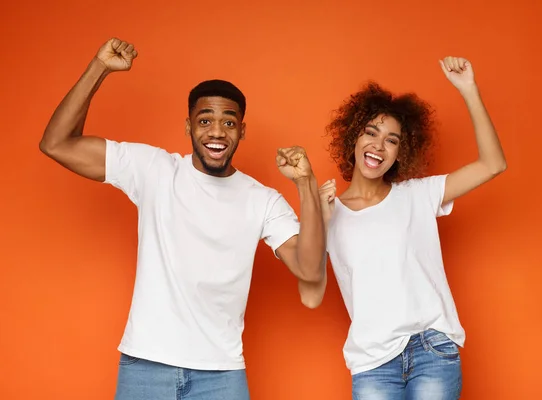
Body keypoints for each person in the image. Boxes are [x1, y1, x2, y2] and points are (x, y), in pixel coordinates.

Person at [39, 37, 326, 400]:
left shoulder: (262, 200)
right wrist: (99, 68)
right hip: (145, 366)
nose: (217, 132)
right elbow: (56, 144)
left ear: (242, 131)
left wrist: (305, 184)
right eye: (205, 120)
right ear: (189, 127)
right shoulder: (154, 169)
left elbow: (310, 269)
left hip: (221, 374)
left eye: (229, 122)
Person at [306, 56, 507, 399]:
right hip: (372, 362)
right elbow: (311, 292)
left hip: (432, 349)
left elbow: (493, 164)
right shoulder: (328, 213)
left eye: (392, 140)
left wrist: (469, 90)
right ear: (353, 138)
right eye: (371, 133)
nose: (378, 146)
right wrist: (319, 220)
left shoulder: (417, 195)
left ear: (401, 152)